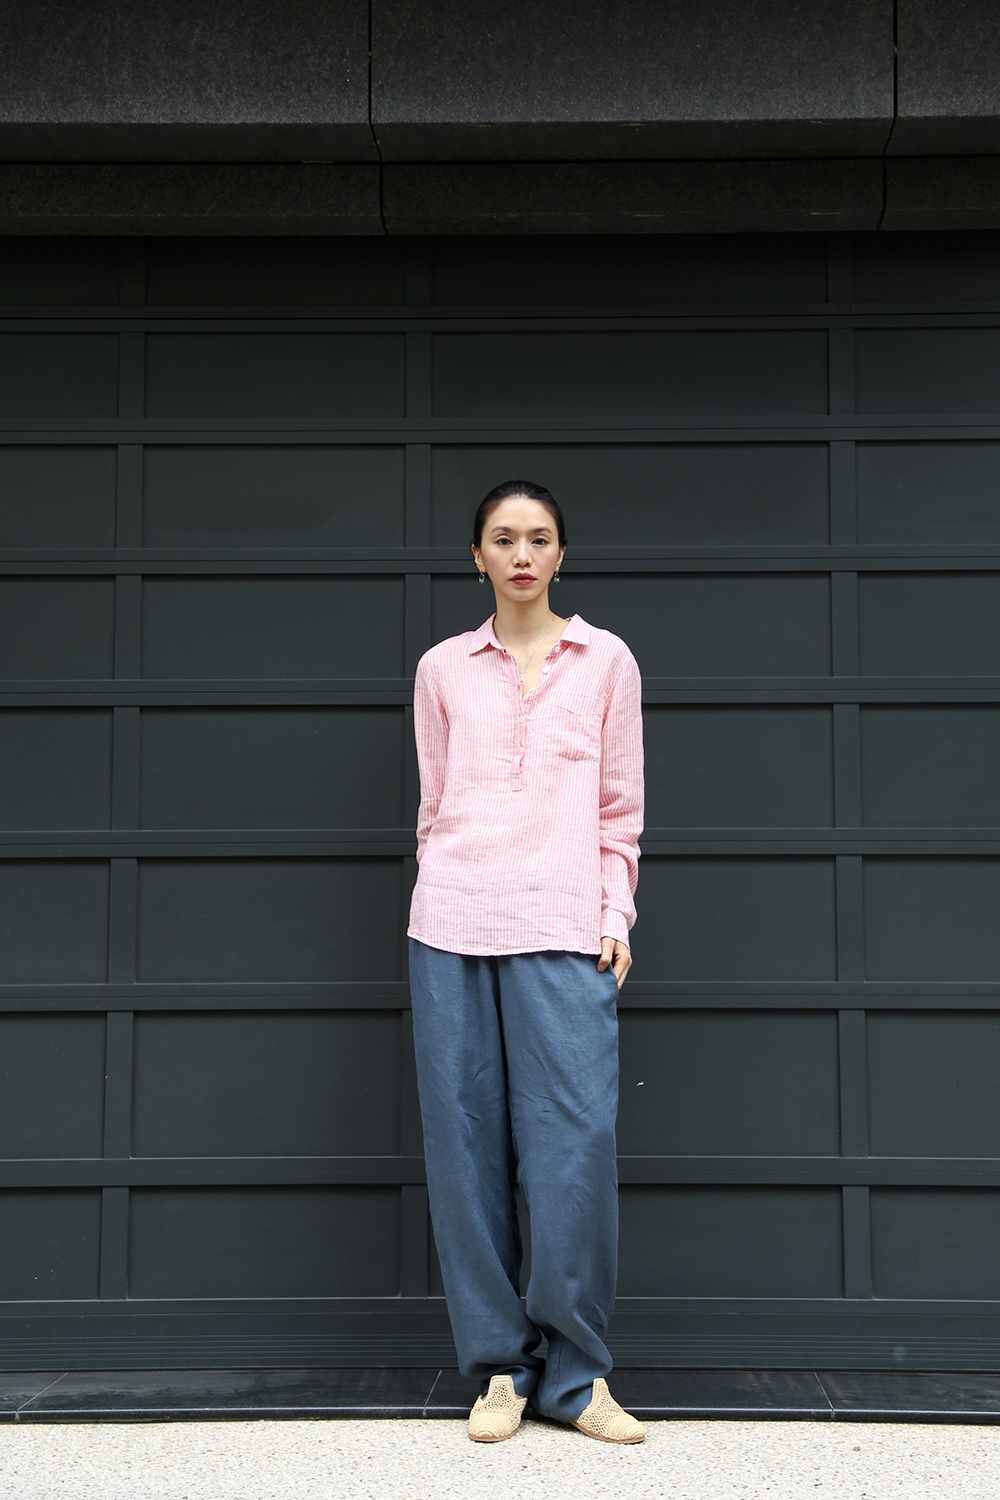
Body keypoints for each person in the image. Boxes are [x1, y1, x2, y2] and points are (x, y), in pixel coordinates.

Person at [406, 479, 645, 1445]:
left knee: (572, 1151)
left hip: (565, 926)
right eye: (502, 539)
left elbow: (619, 807)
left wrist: (614, 912)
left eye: (538, 539)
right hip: (451, 925)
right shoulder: (442, 668)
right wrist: (437, 890)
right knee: (464, 1152)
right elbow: (433, 804)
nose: (521, 555)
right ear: (477, 557)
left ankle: (577, 1378)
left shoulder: (606, 660)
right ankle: (500, 1370)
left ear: (560, 555)